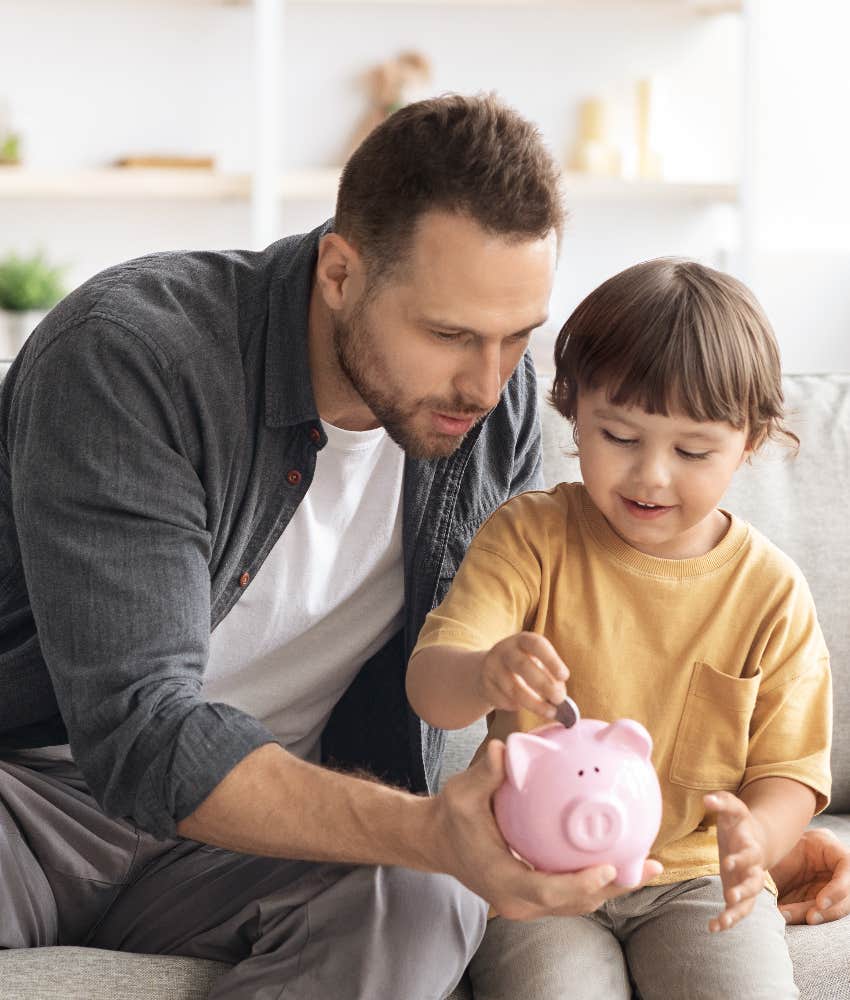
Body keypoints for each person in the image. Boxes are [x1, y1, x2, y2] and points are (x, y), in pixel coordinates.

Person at [0, 94, 846, 999]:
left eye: (517, 336)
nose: (487, 383)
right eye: (448, 335)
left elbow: (573, 670)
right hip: (36, 801)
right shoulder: (134, 359)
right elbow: (144, 734)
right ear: (340, 271)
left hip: (272, 825)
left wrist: (753, 827)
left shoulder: (498, 405)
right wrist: (428, 829)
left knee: (426, 901)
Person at [406, 259, 842, 999]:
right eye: (619, 436)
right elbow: (431, 691)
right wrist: (483, 673)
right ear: (573, 412)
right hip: (537, 869)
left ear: (752, 441)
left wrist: (757, 841)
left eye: (693, 451)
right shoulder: (530, 539)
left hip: (697, 881)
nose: (652, 477)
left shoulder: (769, 592)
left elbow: (790, 772)